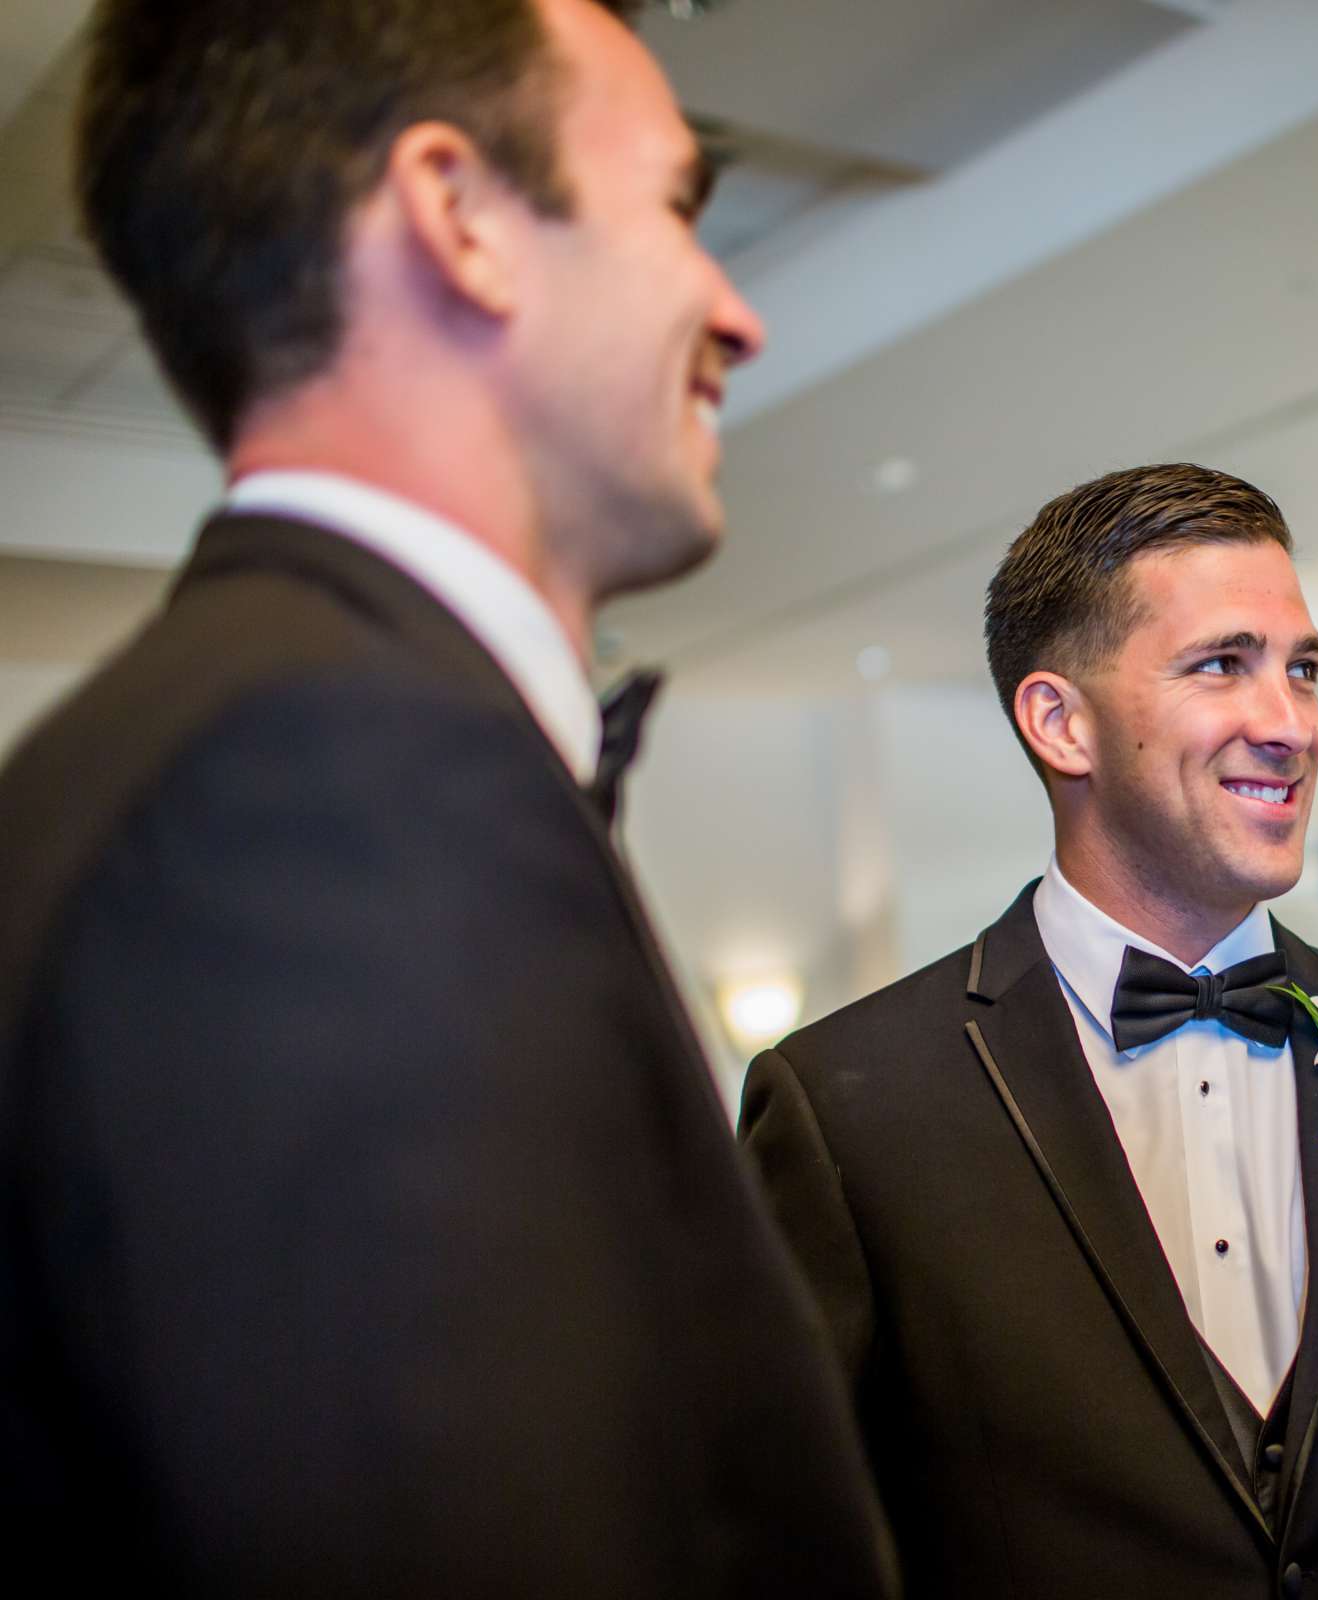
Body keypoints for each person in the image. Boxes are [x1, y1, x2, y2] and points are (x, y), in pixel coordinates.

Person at [0, 2, 894, 1593]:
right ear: (460, 219)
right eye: (675, 210)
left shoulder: (253, 740)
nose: (740, 315)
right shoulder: (322, 785)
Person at [740, 463, 1318, 1599]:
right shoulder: (841, 1105)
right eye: (1224, 664)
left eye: (1302, 670)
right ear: (1061, 722)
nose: (1294, 726)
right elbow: (792, 1534)